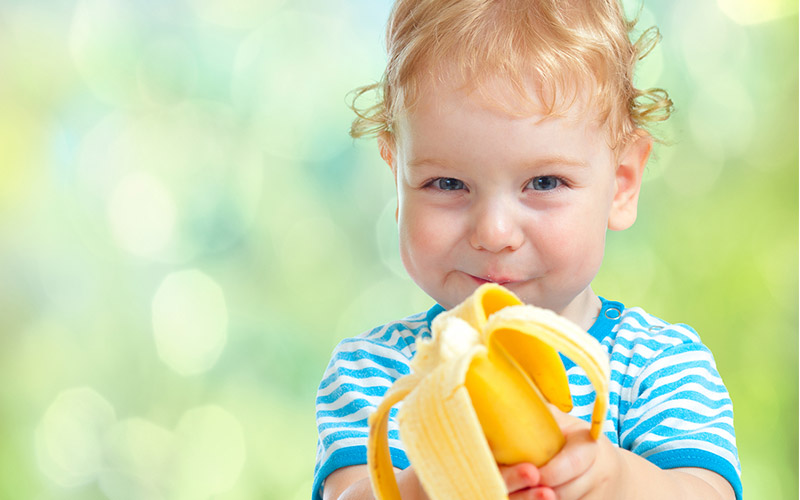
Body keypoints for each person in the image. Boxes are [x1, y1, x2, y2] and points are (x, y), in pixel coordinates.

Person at [313, 1, 741, 499]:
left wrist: (615, 478)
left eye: (543, 181)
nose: (493, 232)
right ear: (397, 178)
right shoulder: (376, 375)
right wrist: (437, 482)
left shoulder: (658, 366)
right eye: (446, 182)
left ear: (621, 185)